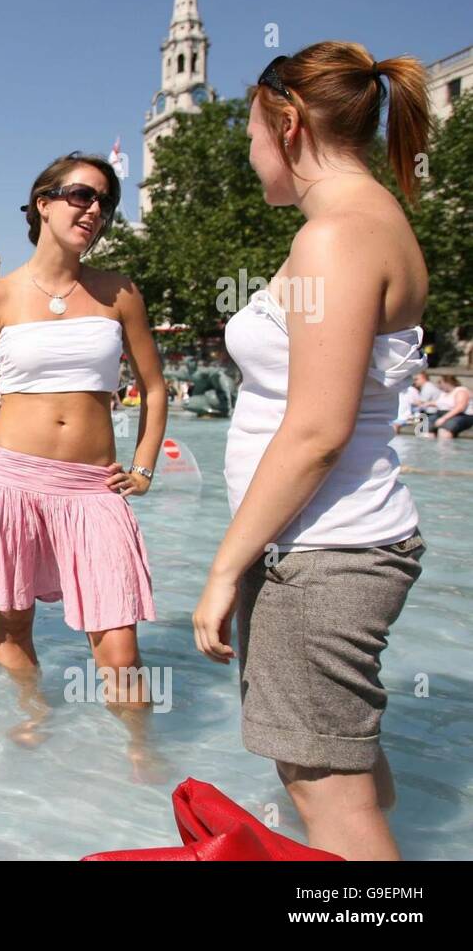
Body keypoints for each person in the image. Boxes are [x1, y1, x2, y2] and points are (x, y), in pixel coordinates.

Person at [193, 43, 431, 860]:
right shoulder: (369, 221)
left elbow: (317, 430)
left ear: (287, 125)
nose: (250, 153)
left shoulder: (338, 236)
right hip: (337, 545)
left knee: (330, 798)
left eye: (253, 134)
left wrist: (226, 566)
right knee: (346, 776)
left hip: (319, 554)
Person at [0, 153, 166, 765]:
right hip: (11, 480)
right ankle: (33, 714)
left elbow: (154, 386)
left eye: (104, 202)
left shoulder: (119, 292)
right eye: (80, 195)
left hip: (94, 487)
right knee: (13, 629)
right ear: (42, 202)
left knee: (118, 646)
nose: (93, 210)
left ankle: (141, 751)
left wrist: (144, 464)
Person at [432, 374, 473, 438]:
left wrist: (443, 418)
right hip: (443, 414)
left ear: (447, 382)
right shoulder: (444, 393)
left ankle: (445, 446)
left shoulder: (461, 391)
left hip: (462, 416)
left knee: (444, 430)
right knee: (425, 428)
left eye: (440, 383)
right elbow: (439, 403)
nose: (439, 385)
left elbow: (460, 407)